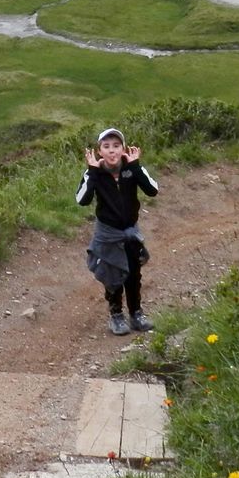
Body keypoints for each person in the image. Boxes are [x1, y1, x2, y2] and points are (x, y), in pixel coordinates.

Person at [77, 126, 160, 336]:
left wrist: (137, 167)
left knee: (133, 274)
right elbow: (82, 200)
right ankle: (116, 315)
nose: (112, 151)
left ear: (123, 148)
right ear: (99, 151)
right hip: (108, 235)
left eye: (116, 146)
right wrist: (93, 172)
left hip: (130, 232)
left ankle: (136, 314)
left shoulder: (131, 168)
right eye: (106, 146)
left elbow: (153, 190)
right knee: (112, 275)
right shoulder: (94, 172)